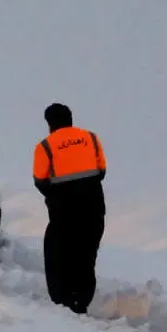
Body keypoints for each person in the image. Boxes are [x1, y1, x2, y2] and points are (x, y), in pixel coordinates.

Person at [32, 103, 107, 314]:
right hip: (94, 206)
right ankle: (82, 299)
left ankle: (64, 300)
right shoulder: (91, 138)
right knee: (86, 254)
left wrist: (59, 195)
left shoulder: (45, 147)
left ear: (49, 123)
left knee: (58, 252)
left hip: (63, 211)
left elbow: (40, 181)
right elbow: (101, 170)